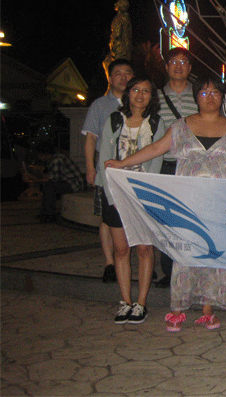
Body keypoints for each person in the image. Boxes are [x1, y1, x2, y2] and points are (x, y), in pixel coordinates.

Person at [106, 76, 226, 331]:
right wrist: (122, 164)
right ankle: (178, 307)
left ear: (222, 97)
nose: (210, 97)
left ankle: (208, 308)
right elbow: (155, 149)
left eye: (215, 92)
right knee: (185, 251)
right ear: (196, 97)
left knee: (214, 252)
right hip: (185, 203)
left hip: (220, 204)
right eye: (204, 92)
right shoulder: (181, 126)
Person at [97, 75, 165, 324]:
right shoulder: (114, 120)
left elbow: (156, 161)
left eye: (146, 91)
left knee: (145, 249)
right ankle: (125, 301)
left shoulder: (157, 123)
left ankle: (141, 303)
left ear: (152, 96)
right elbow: (104, 159)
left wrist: (147, 196)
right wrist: (110, 195)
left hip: (142, 194)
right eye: (136, 90)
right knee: (121, 249)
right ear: (128, 93)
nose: (140, 95)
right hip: (116, 193)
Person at [81, 58, 134, 283]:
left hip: (133, 170)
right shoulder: (100, 105)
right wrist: (90, 167)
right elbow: (91, 138)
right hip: (107, 170)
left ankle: (134, 258)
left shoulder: (139, 101)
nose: (123, 77)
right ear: (110, 78)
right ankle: (110, 263)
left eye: (127, 73)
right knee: (106, 218)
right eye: (118, 73)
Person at [154, 48, 199, 288]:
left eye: (184, 62)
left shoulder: (200, 94)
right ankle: (169, 270)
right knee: (167, 220)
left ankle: (193, 268)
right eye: (174, 62)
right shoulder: (156, 96)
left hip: (194, 165)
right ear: (166, 67)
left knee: (193, 219)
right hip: (167, 164)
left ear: (190, 68)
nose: (179, 66)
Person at [32, 142, 86, 223]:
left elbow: (54, 178)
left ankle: (49, 215)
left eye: (40, 155)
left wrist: (38, 180)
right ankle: (46, 213)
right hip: (69, 182)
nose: (39, 157)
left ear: (45, 154)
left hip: (74, 184)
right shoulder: (54, 159)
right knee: (48, 187)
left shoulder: (57, 160)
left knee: (50, 188)